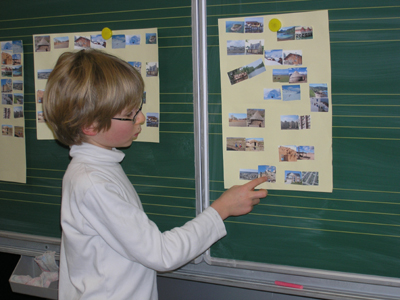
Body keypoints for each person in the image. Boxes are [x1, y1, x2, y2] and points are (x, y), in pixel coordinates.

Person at [43, 49, 268, 300]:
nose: (140, 118)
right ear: (91, 126)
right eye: (129, 115)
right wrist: (222, 209)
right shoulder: (93, 182)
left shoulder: (98, 169)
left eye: (138, 108)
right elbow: (162, 254)